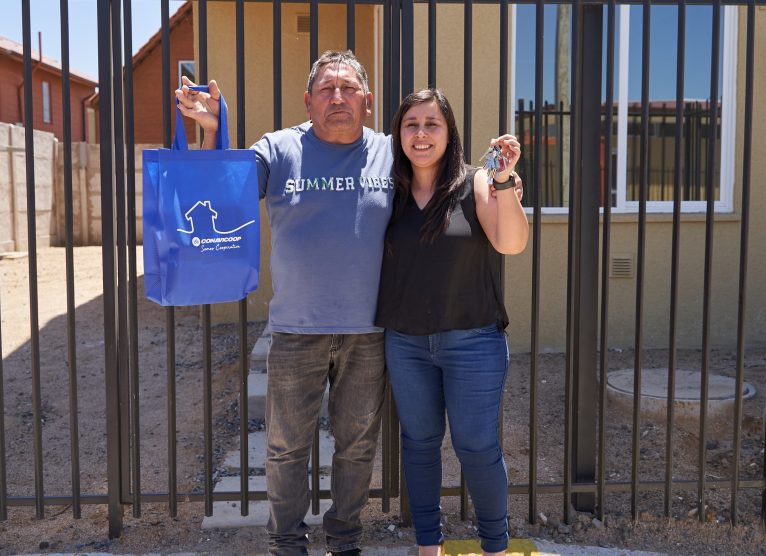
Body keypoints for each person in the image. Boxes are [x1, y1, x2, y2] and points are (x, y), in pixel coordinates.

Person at [175, 51, 392, 556]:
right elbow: (221, 193)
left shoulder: (389, 151)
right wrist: (212, 130)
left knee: (358, 445)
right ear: (308, 100)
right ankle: (287, 543)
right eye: (326, 89)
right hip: (296, 331)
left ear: (367, 99)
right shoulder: (278, 148)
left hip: (369, 332)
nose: (337, 98)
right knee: (286, 447)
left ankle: (344, 541)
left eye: (348, 88)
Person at [374, 89, 528, 556]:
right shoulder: (388, 191)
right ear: (398, 133)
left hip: (473, 341)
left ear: (449, 132)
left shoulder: (475, 182)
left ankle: (495, 547)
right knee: (419, 444)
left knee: (476, 446)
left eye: (432, 124)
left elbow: (511, 243)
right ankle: (429, 546)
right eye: (411, 124)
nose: (421, 134)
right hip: (406, 343)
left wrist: (505, 183)